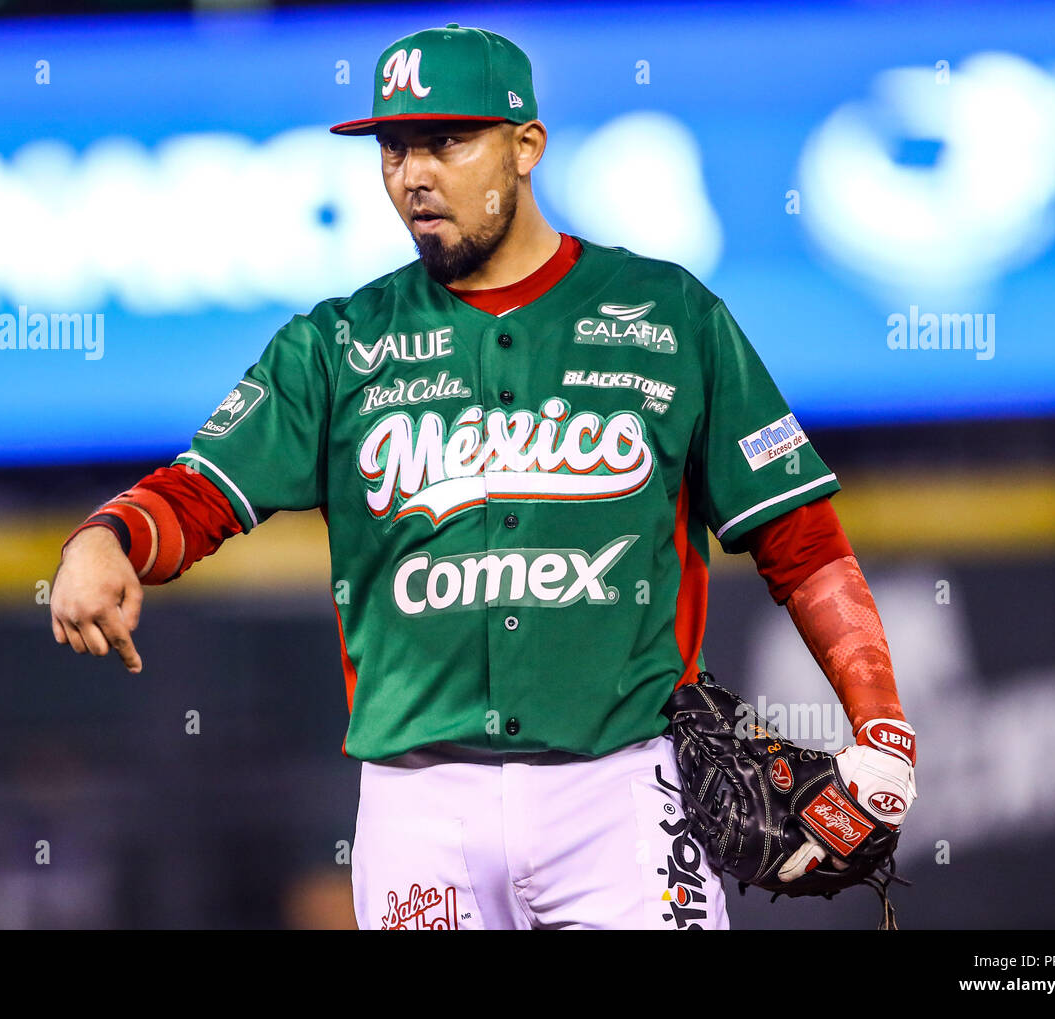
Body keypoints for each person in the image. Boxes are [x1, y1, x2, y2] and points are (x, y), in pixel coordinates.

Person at [50, 23, 917, 930]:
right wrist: (111, 533)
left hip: (624, 787)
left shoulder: (670, 317)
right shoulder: (340, 344)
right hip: (419, 808)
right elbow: (201, 489)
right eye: (394, 148)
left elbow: (799, 537)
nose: (413, 173)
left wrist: (880, 721)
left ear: (527, 145)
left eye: (447, 141)